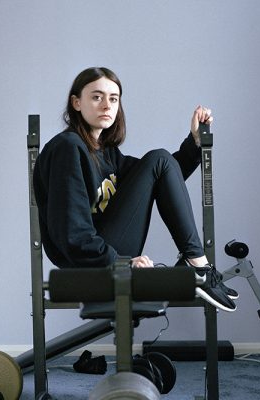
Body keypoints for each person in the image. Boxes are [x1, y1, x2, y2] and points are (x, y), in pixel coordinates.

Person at [33, 67, 238, 312]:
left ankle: (196, 265)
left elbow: (163, 178)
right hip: (86, 263)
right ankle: (199, 267)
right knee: (159, 158)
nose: (106, 106)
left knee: (160, 161)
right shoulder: (67, 148)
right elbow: (73, 234)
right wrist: (120, 263)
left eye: (113, 99)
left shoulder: (106, 152)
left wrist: (193, 142)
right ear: (77, 103)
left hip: (103, 252)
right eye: (96, 97)